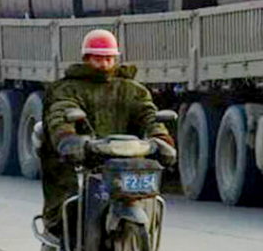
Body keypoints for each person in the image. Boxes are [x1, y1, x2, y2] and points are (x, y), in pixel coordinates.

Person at [39, 29, 176, 250]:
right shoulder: (67, 88)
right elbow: (61, 112)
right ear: (86, 59)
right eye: (98, 58)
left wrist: (161, 138)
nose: (104, 64)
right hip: (84, 164)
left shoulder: (133, 90)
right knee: (70, 212)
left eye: (109, 58)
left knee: (151, 203)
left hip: (125, 166)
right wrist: (69, 138)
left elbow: (148, 116)